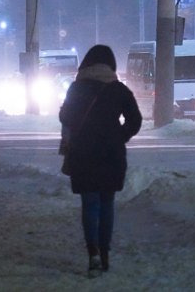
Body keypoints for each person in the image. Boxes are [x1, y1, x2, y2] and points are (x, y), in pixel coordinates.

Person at [59, 44, 142, 278]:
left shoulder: (76, 88)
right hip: (111, 154)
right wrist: (119, 136)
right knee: (107, 203)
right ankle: (105, 253)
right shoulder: (119, 90)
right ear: (110, 65)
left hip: (83, 153)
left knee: (90, 203)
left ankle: (92, 253)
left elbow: (65, 117)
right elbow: (135, 120)